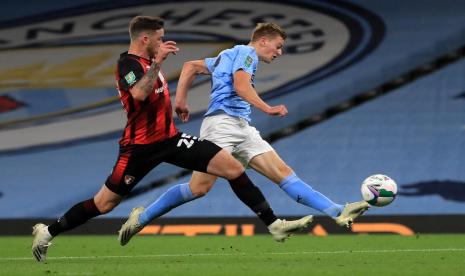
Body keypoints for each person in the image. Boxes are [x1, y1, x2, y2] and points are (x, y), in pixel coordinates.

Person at [31, 16, 312, 263]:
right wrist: (158, 62)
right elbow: (139, 94)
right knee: (104, 204)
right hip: (139, 148)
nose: (163, 42)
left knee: (233, 169)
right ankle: (48, 231)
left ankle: (273, 224)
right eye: (159, 38)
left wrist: (179, 103)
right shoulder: (128, 63)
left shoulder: (147, 62)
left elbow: (157, 93)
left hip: (170, 139)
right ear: (145, 38)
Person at [118, 22, 370, 246]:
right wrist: (267, 108)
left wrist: (181, 100)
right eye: (278, 46)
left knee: (283, 174)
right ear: (263, 40)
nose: (279, 52)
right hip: (221, 126)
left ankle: (337, 211)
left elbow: (190, 66)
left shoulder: (230, 54)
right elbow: (240, 86)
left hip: (241, 126)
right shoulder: (247, 54)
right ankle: (142, 218)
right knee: (199, 188)